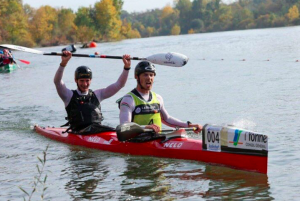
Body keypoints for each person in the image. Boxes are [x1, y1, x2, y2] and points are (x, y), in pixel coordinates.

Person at [54, 51, 131, 134]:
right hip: (78, 132)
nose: (85, 84)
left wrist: (126, 68)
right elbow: (57, 81)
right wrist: (63, 63)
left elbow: (119, 84)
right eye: (81, 81)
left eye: (87, 81)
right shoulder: (68, 96)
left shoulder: (98, 95)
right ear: (76, 80)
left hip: (97, 131)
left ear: (91, 80)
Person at [118, 61, 202, 134]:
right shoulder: (128, 99)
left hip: (157, 138)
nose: (149, 78)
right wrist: (145, 127)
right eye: (145, 75)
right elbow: (124, 127)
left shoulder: (158, 98)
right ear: (136, 77)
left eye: (151, 75)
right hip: (137, 140)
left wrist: (188, 125)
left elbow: (167, 119)